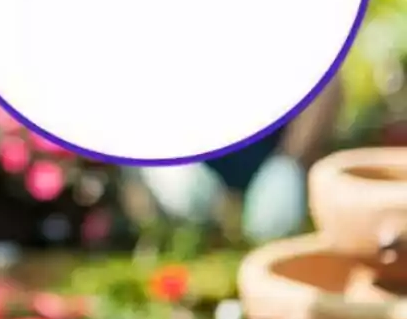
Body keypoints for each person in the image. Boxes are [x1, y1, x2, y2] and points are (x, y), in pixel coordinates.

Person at [137, 75, 344, 243]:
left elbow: (328, 86)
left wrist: (290, 160)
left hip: (270, 156)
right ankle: (193, 234)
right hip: (195, 159)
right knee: (185, 196)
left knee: (272, 224)